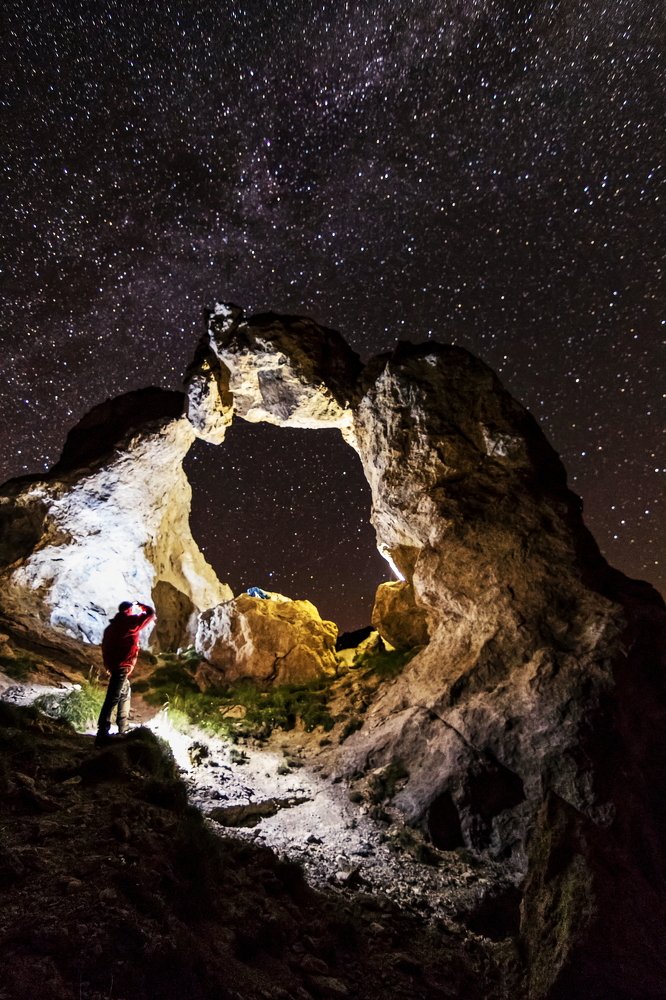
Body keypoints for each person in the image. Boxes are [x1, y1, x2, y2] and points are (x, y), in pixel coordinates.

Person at [95, 600, 155, 747]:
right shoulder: (130, 623)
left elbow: (106, 648)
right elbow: (150, 614)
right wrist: (139, 605)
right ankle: (102, 732)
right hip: (122, 667)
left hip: (116, 667)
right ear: (128, 610)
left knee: (124, 695)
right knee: (113, 698)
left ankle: (123, 728)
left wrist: (109, 666)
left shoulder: (110, 628)